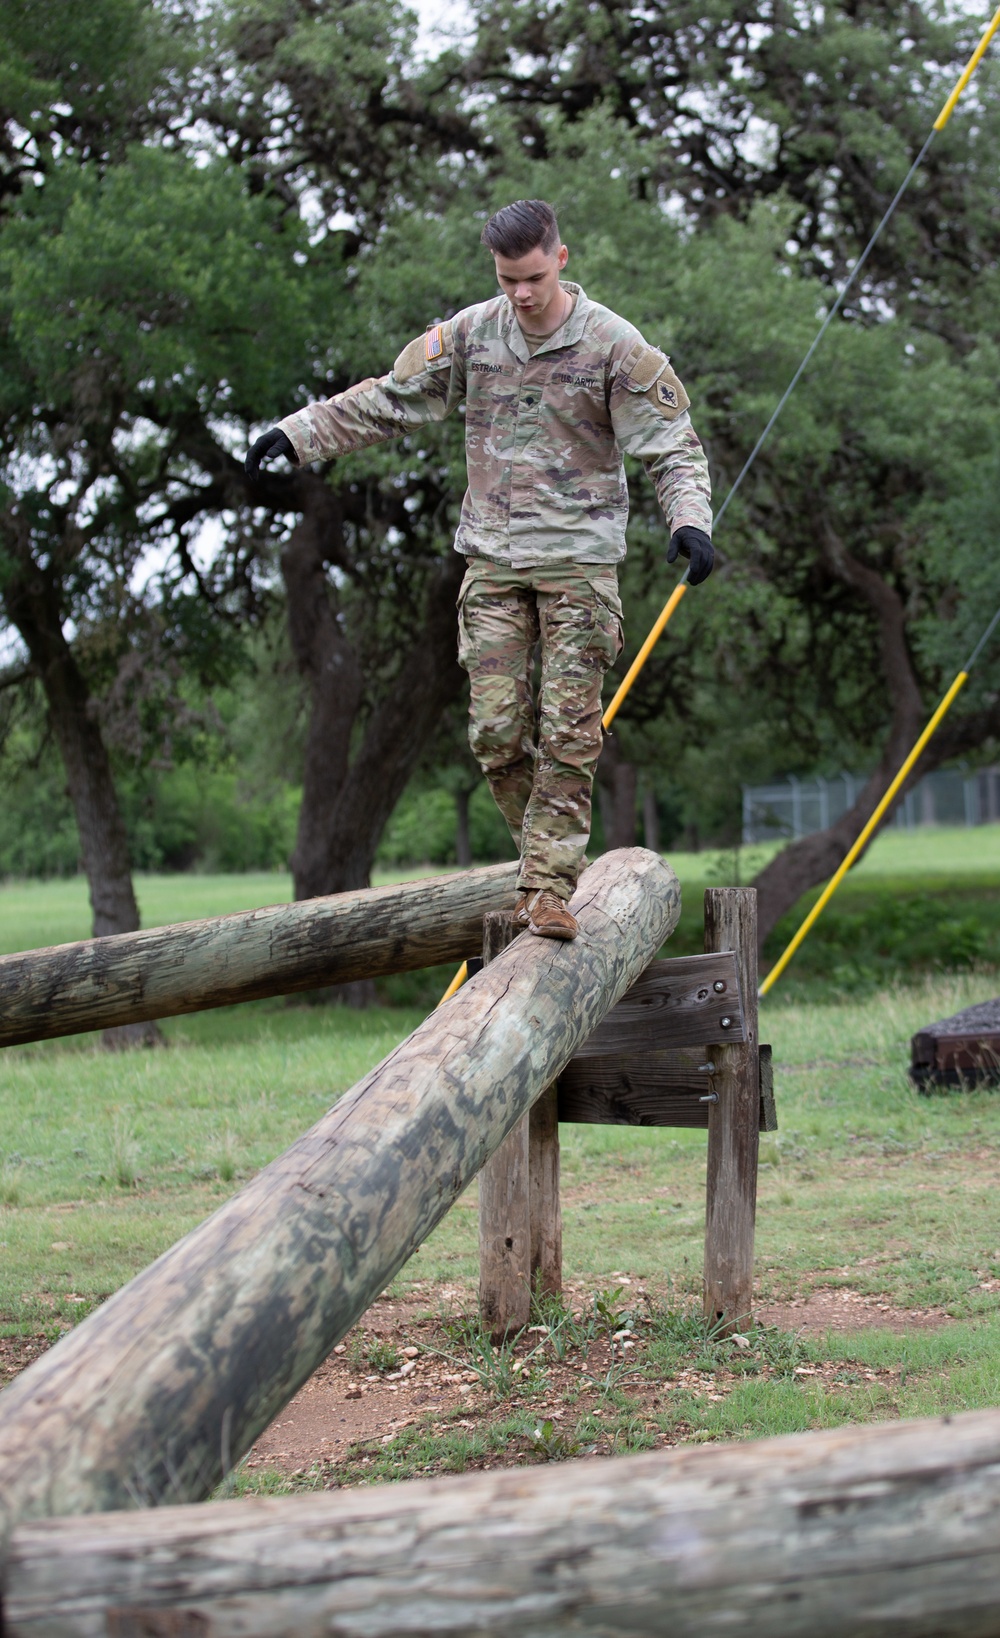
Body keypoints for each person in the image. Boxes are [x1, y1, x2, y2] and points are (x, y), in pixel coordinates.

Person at [247, 198, 713, 940]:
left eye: (531, 277)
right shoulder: (472, 335)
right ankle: (551, 868)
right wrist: (298, 434)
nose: (521, 294)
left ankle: (546, 888)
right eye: (507, 280)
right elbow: (389, 401)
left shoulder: (613, 346)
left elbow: (673, 445)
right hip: (493, 560)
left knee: (569, 730)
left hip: (578, 565)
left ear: (560, 259)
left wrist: (690, 520)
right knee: (496, 732)